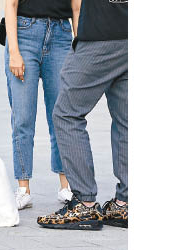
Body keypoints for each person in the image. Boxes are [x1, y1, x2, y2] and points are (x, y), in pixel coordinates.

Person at [37, 0, 128, 230]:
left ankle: (85, 204)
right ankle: (125, 202)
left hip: (102, 31)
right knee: (127, 119)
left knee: (67, 114)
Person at [4, 0, 77, 209]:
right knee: (23, 117)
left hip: (62, 35)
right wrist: (14, 52)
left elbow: (77, 6)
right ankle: (23, 189)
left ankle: (66, 186)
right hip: (24, 34)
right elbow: (11, 4)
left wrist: (79, 46)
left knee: (61, 116)